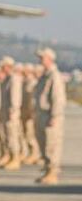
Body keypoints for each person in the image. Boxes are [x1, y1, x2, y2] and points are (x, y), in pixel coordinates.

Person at [34, 48, 67, 185]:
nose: (40, 60)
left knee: (51, 145)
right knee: (43, 144)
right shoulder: (45, 75)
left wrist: (54, 115)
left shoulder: (54, 76)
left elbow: (58, 98)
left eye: (43, 58)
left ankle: (53, 172)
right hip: (42, 114)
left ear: (50, 59)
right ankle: (47, 170)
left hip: (50, 115)